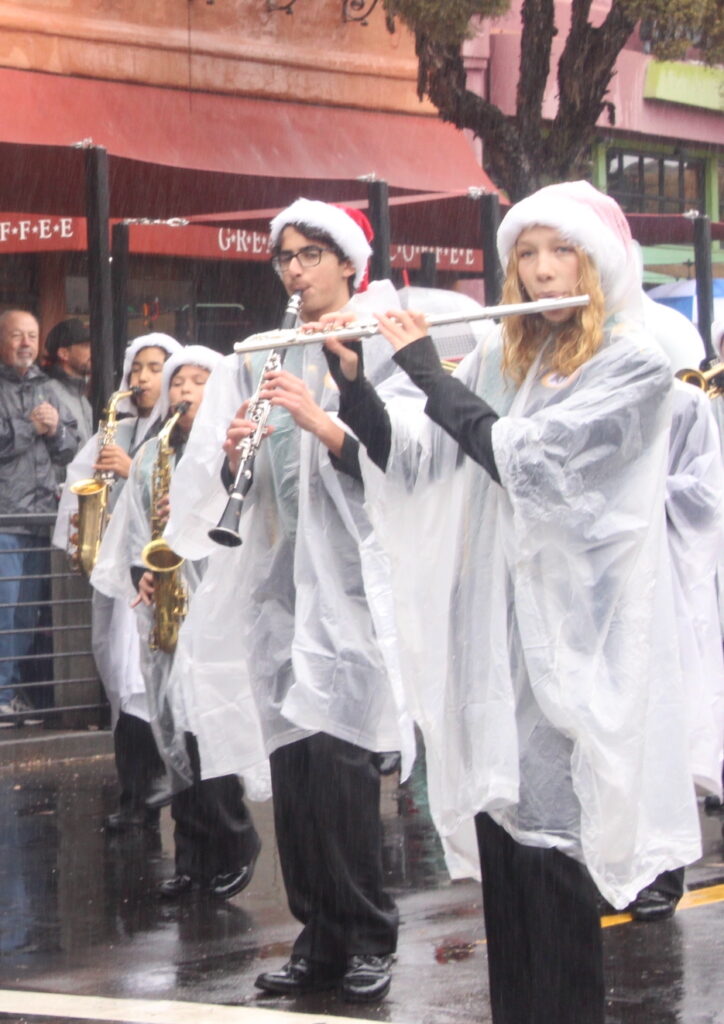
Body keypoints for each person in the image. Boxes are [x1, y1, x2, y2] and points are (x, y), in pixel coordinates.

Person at [316, 182, 703, 1023]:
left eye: (557, 252)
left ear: (597, 261)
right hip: (495, 633)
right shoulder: (504, 354)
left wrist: (423, 364)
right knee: (507, 853)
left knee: (557, 858)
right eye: (524, 255)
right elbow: (420, 457)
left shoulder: (634, 360)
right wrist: (357, 386)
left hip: (576, 638)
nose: (538, 272)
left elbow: (529, 463)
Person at [164, 200, 414, 1004]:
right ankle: (318, 934)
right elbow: (208, 481)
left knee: (342, 772)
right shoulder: (256, 355)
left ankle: (368, 933)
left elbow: (403, 463)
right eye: (285, 258)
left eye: (310, 254)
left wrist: (319, 421)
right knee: (296, 774)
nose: (294, 271)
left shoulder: (378, 343)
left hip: (349, 595)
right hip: (278, 592)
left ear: (348, 263)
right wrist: (235, 445)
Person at [95, 345, 262, 899]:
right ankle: (192, 858)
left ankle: (234, 842)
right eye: (179, 381)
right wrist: (143, 568)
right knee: (176, 736)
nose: (185, 390)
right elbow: (136, 524)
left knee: (209, 724)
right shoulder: (153, 451)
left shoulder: (236, 447)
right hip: (170, 602)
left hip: (217, 599)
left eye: (199, 380)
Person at [54, 333, 182, 828]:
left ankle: (152, 789)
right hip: (114, 572)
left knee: (143, 683)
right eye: (137, 369)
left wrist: (134, 470)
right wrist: (81, 519)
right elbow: (82, 485)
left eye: (155, 368)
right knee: (120, 678)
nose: (143, 379)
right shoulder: (121, 428)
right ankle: (136, 791)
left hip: (155, 575)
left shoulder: (180, 430)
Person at [0, 309, 79, 726]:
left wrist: (57, 432)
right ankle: (3, 692)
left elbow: (71, 450)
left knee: (26, 614)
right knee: (4, 611)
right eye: (16, 335)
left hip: (40, 518)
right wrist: (32, 427)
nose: (25, 343)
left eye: (32, 335)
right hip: (4, 519)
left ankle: (11, 692)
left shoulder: (50, 387)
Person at [43, 317, 93, 451]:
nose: (92, 351)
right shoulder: (49, 393)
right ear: (63, 354)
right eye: (85, 346)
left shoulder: (80, 394)